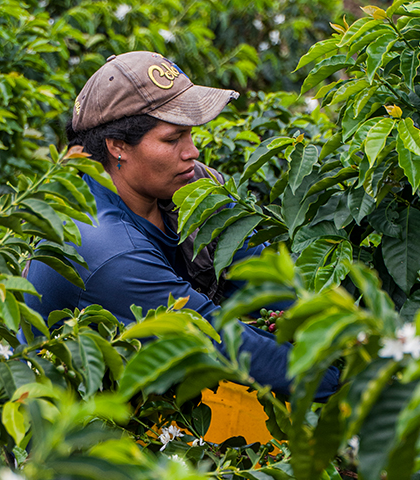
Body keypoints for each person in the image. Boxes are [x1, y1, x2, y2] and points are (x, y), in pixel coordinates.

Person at [24, 51, 339, 401]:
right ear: (118, 146)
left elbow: (267, 280)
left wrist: (350, 334)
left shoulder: (186, 187)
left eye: (190, 134)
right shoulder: (106, 248)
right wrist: (359, 381)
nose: (192, 152)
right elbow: (221, 341)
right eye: (172, 140)